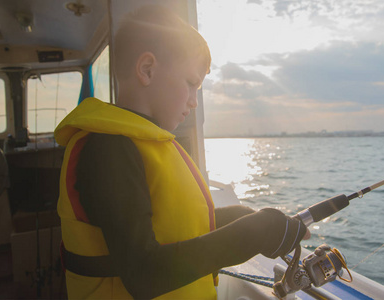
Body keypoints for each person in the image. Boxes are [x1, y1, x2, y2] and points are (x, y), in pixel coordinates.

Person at [54, 4, 309, 299]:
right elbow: (143, 274)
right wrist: (254, 232)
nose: (194, 101)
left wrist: (237, 217)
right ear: (147, 70)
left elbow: (168, 223)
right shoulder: (108, 151)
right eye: (191, 84)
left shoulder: (143, 142)